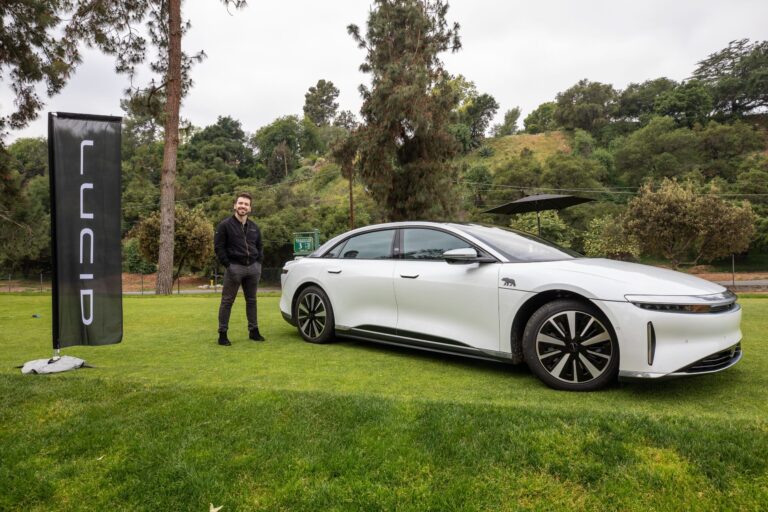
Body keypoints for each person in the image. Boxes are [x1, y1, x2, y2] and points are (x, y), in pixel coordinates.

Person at [214, 192, 265, 346]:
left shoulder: (254, 227)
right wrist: (229, 265)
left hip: (253, 269)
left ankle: (254, 331)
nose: (243, 206)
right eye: (241, 203)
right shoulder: (224, 225)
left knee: (252, 301)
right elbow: (219, 247)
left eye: (246, 204)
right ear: (235, 205)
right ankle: (222, 334)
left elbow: (260, 246)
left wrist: (258, 264)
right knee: (227, 302)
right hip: (234, 268)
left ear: (250, 208)